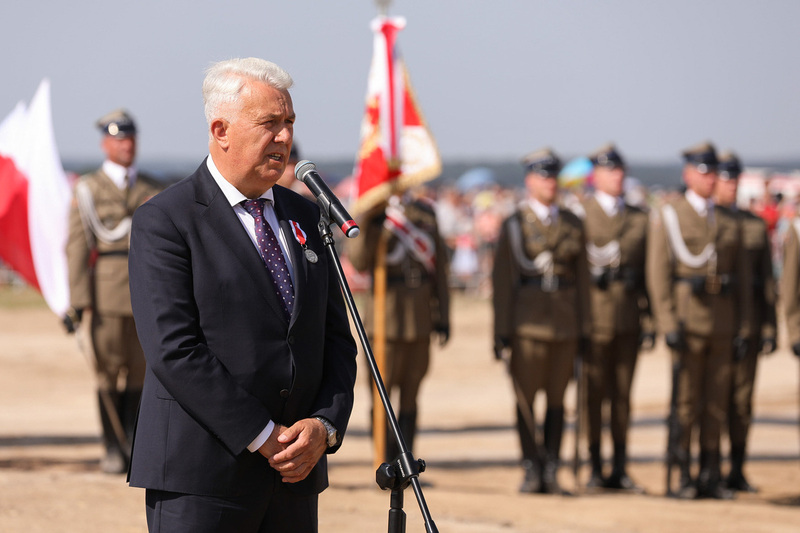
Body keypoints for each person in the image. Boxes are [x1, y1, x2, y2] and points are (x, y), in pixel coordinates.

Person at [126, 58, 357, 533]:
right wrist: (261, 435)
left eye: (289, 123)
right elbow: (174, 349)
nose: (284, 138)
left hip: (295, 473)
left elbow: (335, 338)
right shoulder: (167, 220)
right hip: (203, 477)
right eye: (269, 124)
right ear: (221, 130)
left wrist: (324, 427)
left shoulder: (308, 217)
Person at [646, 141, 750, 500]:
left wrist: (744, 327)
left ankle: (710, 473)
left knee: (717, 402)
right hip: (688, 322)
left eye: (713, 172)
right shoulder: (672, 215)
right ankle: (682, 473)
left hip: (723, 322)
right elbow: (658, 275)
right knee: (686, 403)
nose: (710, 179)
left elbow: (743, 279)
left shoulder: (727, 217)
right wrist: (667, 324)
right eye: (703, 172)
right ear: (688, 174)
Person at [65, 109, 164, 474]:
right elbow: (77, 247)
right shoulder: (88, 190)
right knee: (106, 374)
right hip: (105, 294)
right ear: (105, 144)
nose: (127, 145)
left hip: (146, 292)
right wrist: (79, 302)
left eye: (131, 139)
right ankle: (111, 446)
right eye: (120, 139)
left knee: (141, 372)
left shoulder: (152, 189)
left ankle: (134, 445)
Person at [492, 147, 591, 495]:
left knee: (557, 401)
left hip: (565, 324)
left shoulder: (573, 223)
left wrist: (586, 328)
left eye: (553, 176)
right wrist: (501, 331)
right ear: (530, 180)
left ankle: (551, 466)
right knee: (525, 399)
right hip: (527, 325)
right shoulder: (515, 225)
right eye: (542, 176)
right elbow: (503, 282)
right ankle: (531, 466)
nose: (549, 182)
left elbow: (582, 281)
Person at [347, 188, 450, 462]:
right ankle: (384, 463)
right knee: (382, 395)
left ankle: (405, 463)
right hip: (384, 319)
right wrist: (369, 221)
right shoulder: (372, 212)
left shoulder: (424, 213)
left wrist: (444, 315)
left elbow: (440, 267)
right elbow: (358, 262)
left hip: (419, 318)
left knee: (411, 396)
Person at [580, 144, 651, 492]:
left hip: (627, 320)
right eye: (610, 171)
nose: (618, 176)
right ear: (596, 176)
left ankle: (620, 467)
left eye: (621, 170)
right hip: (593, 321)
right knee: (593, 397)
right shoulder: (581, 214)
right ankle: (594, 466)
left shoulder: (639, 217)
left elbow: (648, 276)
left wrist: (650, 321)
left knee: (622, 398)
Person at [714, 151, 777, 493]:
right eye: (726, 179)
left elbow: (766, 281)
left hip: (748, 325)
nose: (731, 185)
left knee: (741, 402)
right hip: (716, 325)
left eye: (734, 179)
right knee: (711, 400)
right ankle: (707, 467)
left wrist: (769, 327)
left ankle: (736, 468)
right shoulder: (710, 222)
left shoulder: (753, 224)